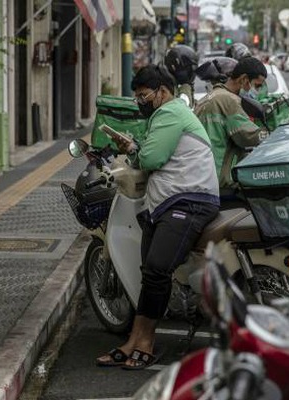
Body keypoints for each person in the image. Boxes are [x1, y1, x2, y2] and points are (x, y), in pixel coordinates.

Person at [96, 64, 220, 370]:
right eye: (136, 95)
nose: (140, 101)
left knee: (156, 270)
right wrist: (135, 148)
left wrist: (139, 150)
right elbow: (151, 154)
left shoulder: (170, 113)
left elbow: (152, 157)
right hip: (167, 202)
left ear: (162, 92)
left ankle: (146, 343)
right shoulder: (166, 115)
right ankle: (133, 341)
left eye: (142, 95)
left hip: (190, 201)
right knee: (149, 274)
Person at [195, 56, 268, 190]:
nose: (257, 91)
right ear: (244, 79)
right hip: (219, 182)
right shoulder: (229, 100)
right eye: (256, 86)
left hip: (201, 177)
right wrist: (271, 134)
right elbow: (248, 136)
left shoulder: (208, 98)